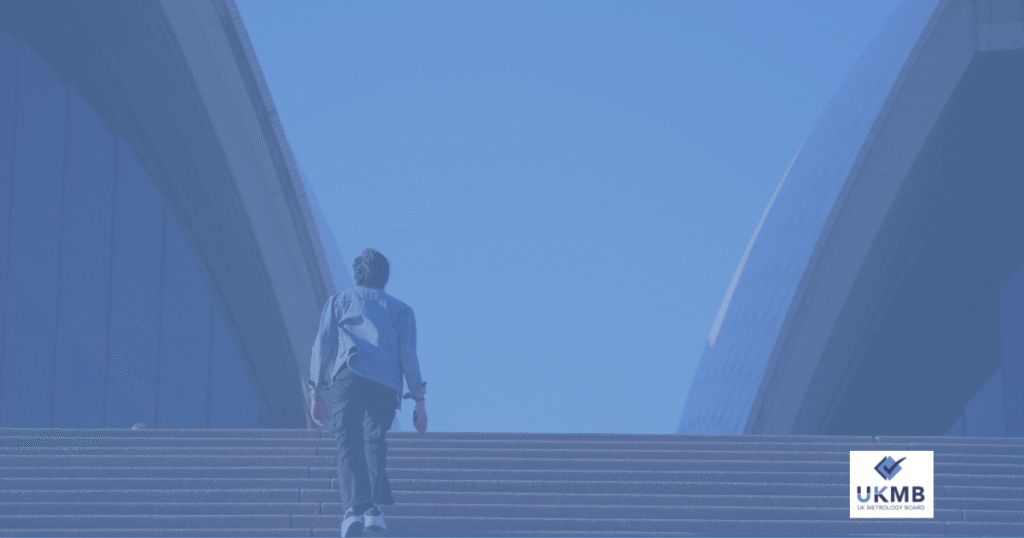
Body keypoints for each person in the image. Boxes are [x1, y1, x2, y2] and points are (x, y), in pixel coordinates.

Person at [308, 248, 428, 537]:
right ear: (385, 276)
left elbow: (322, 348)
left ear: (357, 274)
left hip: (348, 376)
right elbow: (408, 356)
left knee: (349, 439)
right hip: (386, 383)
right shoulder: (401, 309)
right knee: (375, 440)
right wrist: (419, 400)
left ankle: (352, 512)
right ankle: (373, 510)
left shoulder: (339, 301)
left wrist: (316, 391)